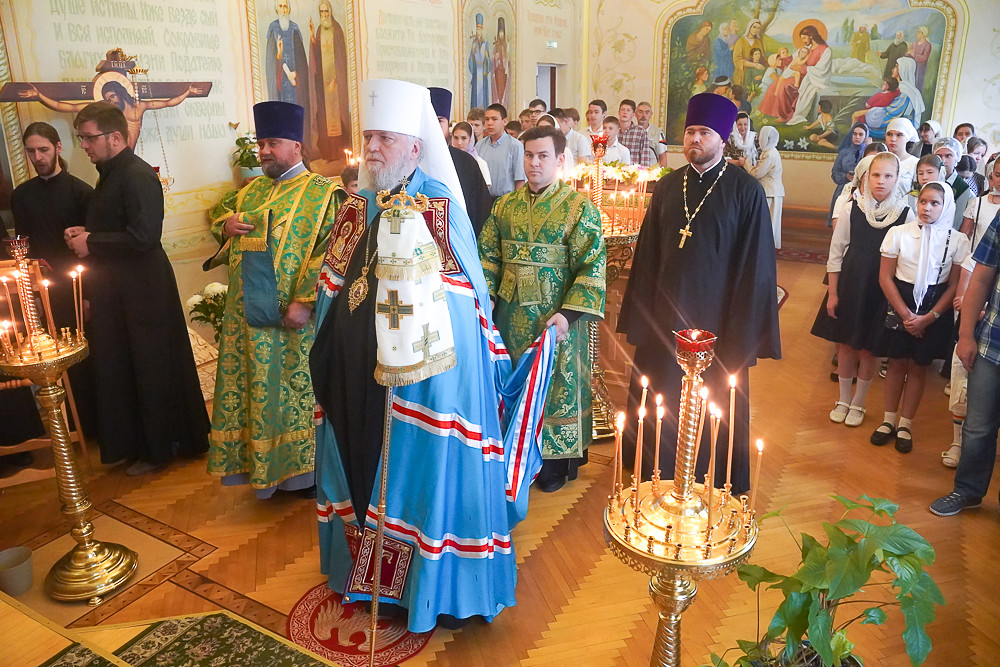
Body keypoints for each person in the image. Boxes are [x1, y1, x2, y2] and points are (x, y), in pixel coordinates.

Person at [310, 78, 554, 632]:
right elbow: (332, 286)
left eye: (385, 139)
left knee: (413, 482)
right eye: (368, 137)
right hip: (354, 373)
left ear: (416, 147)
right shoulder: (357, 204)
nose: (372, 149)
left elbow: (465, 306)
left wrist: (419, 363)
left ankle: (425, 589)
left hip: (422, 384)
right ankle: (364, 576)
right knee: (357, 468)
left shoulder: (438, 206)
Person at [617, 93, 780, 495]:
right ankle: (653, 470)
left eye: (704, 133)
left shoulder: (746, 193)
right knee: (660, 392)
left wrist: (742, 337)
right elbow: (648, 257)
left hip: (718, 326)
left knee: (714, 404)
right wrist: (642, 318)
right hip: (664, 322)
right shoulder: (669, 186)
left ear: (722, 139)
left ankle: (712, 476)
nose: (694, 140)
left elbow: (755, 269)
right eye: (690, 132)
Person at [205, 101, 345, 498]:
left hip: (294, 323)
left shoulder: (325, 194)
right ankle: (264, 471)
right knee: (257, 394)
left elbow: (334, 250)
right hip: (249, 322)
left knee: (296, 396)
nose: (264, 151)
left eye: (273, 143)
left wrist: (305, 301)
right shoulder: (250, 191)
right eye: (261, 142)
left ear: (296, 147)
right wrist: (225, 225)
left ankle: (305, 475)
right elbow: (221, 221)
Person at [63, 101, 209, 475]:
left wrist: (91, 243)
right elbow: (116, 225)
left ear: (115, 137)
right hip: (120, 291)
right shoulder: (110, 173)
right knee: (125, 365)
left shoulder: (137, 174)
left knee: (151, 366)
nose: (85, 146)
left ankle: (161, 449)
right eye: (81, 139)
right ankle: (138, 442)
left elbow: (144, 237)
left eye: (89, 138)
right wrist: (87, 235)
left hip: (144, 291)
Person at [478, 124, 606, 492]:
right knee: (514, 384)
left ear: (560, 159)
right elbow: (488, 255)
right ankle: (514, 453)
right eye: (529, 156)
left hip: (556, 321)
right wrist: (487, 293)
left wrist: (568, 315)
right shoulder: (504, 205)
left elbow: (591, 265)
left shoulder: (580, 208)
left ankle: (553, 464)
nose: (534, 164)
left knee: (555, 387)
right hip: (509, 316)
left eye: (543, 156)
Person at [811, 152, 913, 428]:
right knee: (846, 343)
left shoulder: (905, 214)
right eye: (875, 175)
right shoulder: (851, 207)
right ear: (866, 177)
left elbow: (905, 258)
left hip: (882, 287)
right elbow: (836, 252)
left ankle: (859, 402)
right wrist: (833, 293)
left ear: (896, 179)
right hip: (852, 282)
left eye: (888, 176)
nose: (881, 181)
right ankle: (843, 399)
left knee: (870, 348)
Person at [10, 122, 98, 434]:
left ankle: (97, 425)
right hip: (43, 289)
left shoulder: (81, 192)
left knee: (87, 356)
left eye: (43, 149)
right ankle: (72, 427)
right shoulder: (21, 196)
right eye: (31, 151)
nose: (37, 156)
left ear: (58, 148)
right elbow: (24, 246)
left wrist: (87, 295)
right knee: (55, 359)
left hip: (78, 288)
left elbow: (91, 251)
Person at [869, 182, 969, 452]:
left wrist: (929, 318)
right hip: (900, 301)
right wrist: (906, 315)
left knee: (917, 366)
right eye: (923, 201)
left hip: (935, 308)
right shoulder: (898, 233)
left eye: (935, 203)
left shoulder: (957, 240)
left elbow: (953, 285)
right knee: (896, 363)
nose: (926, 207)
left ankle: (905, 424)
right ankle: (888, 420)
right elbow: (885, 277)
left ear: (945, 206)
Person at [22, 80, 203, 151]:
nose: (111, 101)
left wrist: (187, 92)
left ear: (121, 93)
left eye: (113, 96)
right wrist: (40, 96)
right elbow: (66, 106)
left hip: (129, 154)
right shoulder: (103, 112)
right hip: (113, 155)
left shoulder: (137, 107)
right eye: (107, 98)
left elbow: (168, 102)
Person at [430, 87, 492, 236]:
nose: (433, 127)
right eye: (429, 120)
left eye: (439, 121)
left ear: (447, 126)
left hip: (460, 241)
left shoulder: (467, 163)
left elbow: (481, 212)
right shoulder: (408, 163)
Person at [308, 0, 351, 161]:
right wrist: (312, 38)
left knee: (338, 118)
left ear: (330, 12)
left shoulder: (337, 29)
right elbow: (317, 58)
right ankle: (328, 153)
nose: (324, 15)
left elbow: (341, 60)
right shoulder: (319, 30)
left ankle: (340, 152)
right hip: (323, 86)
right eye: (322, 12)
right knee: (324, 119)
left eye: (326, 12)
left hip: (335, 86)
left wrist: (337, 80)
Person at [266, 0, 311, 144]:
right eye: (280, 7)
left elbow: (302, 60)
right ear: (277, 9)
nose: (283, 10)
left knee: (296, 116)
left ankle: (300, 146)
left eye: (286, 6)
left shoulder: (294, 29)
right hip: (282, 86)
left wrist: (298, 74)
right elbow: (271, 62)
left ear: (289, 9)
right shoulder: (273, 29)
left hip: (295, 86)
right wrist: (279, 54)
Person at [476, 103, 525, 199]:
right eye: (487, 119)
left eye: (494, 119)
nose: (489, 123)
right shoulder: (479, 146)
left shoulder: (515, 146)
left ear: (504, 121)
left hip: (506, 199)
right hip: (484, 199)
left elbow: (519, 180)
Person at [788, 26, 833, 125]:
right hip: (804, 76)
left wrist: (802, 69)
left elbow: (822, 69)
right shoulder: (808, 48)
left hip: (814, 78)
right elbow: (796, 59)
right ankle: (786, 115)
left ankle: (797, 115)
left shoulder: (825, 50)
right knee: (785, 84)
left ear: (811, 36)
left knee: (790, 86)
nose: (803, 41)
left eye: (804, 38)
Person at [748, 126, 784, 249]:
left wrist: (746, 163)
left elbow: (756, 173)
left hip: (770, 192)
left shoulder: (769, 154)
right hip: (773, 191)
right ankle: (767, 247)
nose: (758, 139)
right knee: (771, 222)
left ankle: (766, 248)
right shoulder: (771, 151)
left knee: (768, 222)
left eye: (760, 136)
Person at [828, 122, 870, 226]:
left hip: (862, 192)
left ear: (866, 136)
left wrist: (868, 147)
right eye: (854, 134)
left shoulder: (868, 152)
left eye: (861, 134)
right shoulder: (844, 152)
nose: (857, 137)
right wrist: (846, 176)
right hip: (843, 190)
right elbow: (835, 173)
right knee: (839, 222)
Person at [933, 137, 972, 229]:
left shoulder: (964, 189)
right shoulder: (931, 181)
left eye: (948, 156)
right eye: (939, 156)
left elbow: (958, 222)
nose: (943, 160)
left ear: (957, 158)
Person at [885, 118, 920, 197]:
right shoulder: (879, 160)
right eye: (889, 134)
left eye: (899, 135)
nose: (893, 139)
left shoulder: (915, 163)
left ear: (907, 137)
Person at [451, 120, 492, 187]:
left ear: (470, 140)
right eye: (456, 138)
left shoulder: (480, 163)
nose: (459, 142)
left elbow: (485, 191)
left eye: (464, 138)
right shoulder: (448, 161)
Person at [617, 99, 654, 167]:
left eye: (628, 110)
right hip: (614, 170)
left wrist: (644, 172)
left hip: (633, 171)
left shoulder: (640, 131)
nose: (625, 112)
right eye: (623, 110)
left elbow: (645, 155)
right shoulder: (613, 130)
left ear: (633, 114)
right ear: (619, 112)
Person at [731, 19, 765, 87]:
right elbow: (737, 60)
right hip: (742, 75)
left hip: (755, 75)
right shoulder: (740, 42)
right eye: (754, 27)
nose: (756, 30)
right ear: (749, 27)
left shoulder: (758, 41)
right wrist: (754, 65)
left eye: (758, 28)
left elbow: (763, 57)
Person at [468, 13, 490, 109]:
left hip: (483, 74)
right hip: (476, 74)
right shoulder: (474, 43)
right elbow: (471, 60)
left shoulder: (485, 43)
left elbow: (488, 59)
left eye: (480, 29)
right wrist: (473, 53)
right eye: (477, 29)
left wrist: (485, 69)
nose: (478, 31)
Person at [491, 18, 509, 108]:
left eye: (502, 33)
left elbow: (507, 59)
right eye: (500, 33)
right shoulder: (496, 45)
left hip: (503, 72)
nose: (501, 35)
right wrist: (496, 57)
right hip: (498, 71)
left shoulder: (505, 46)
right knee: (498, 89)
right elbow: (494, 58)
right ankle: (498, 101)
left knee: (503, 88)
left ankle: (502, 102)